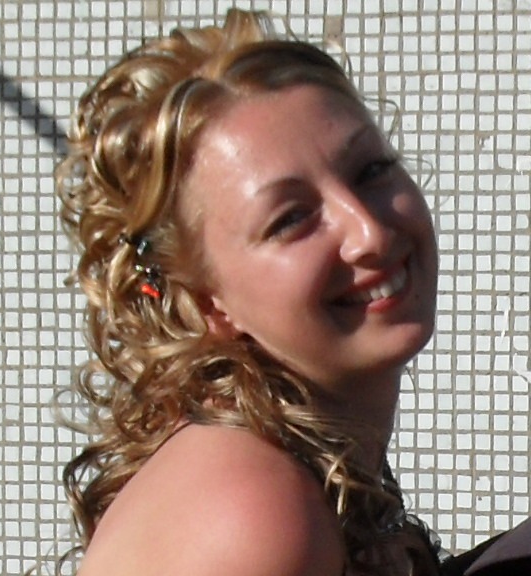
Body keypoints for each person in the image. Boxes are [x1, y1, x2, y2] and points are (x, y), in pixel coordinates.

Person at [54, 8, 526, 576]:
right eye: (290, 218)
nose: (370, 234)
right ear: (204, 301)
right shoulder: (255, 512)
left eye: (371, 170)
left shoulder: (305, 460)